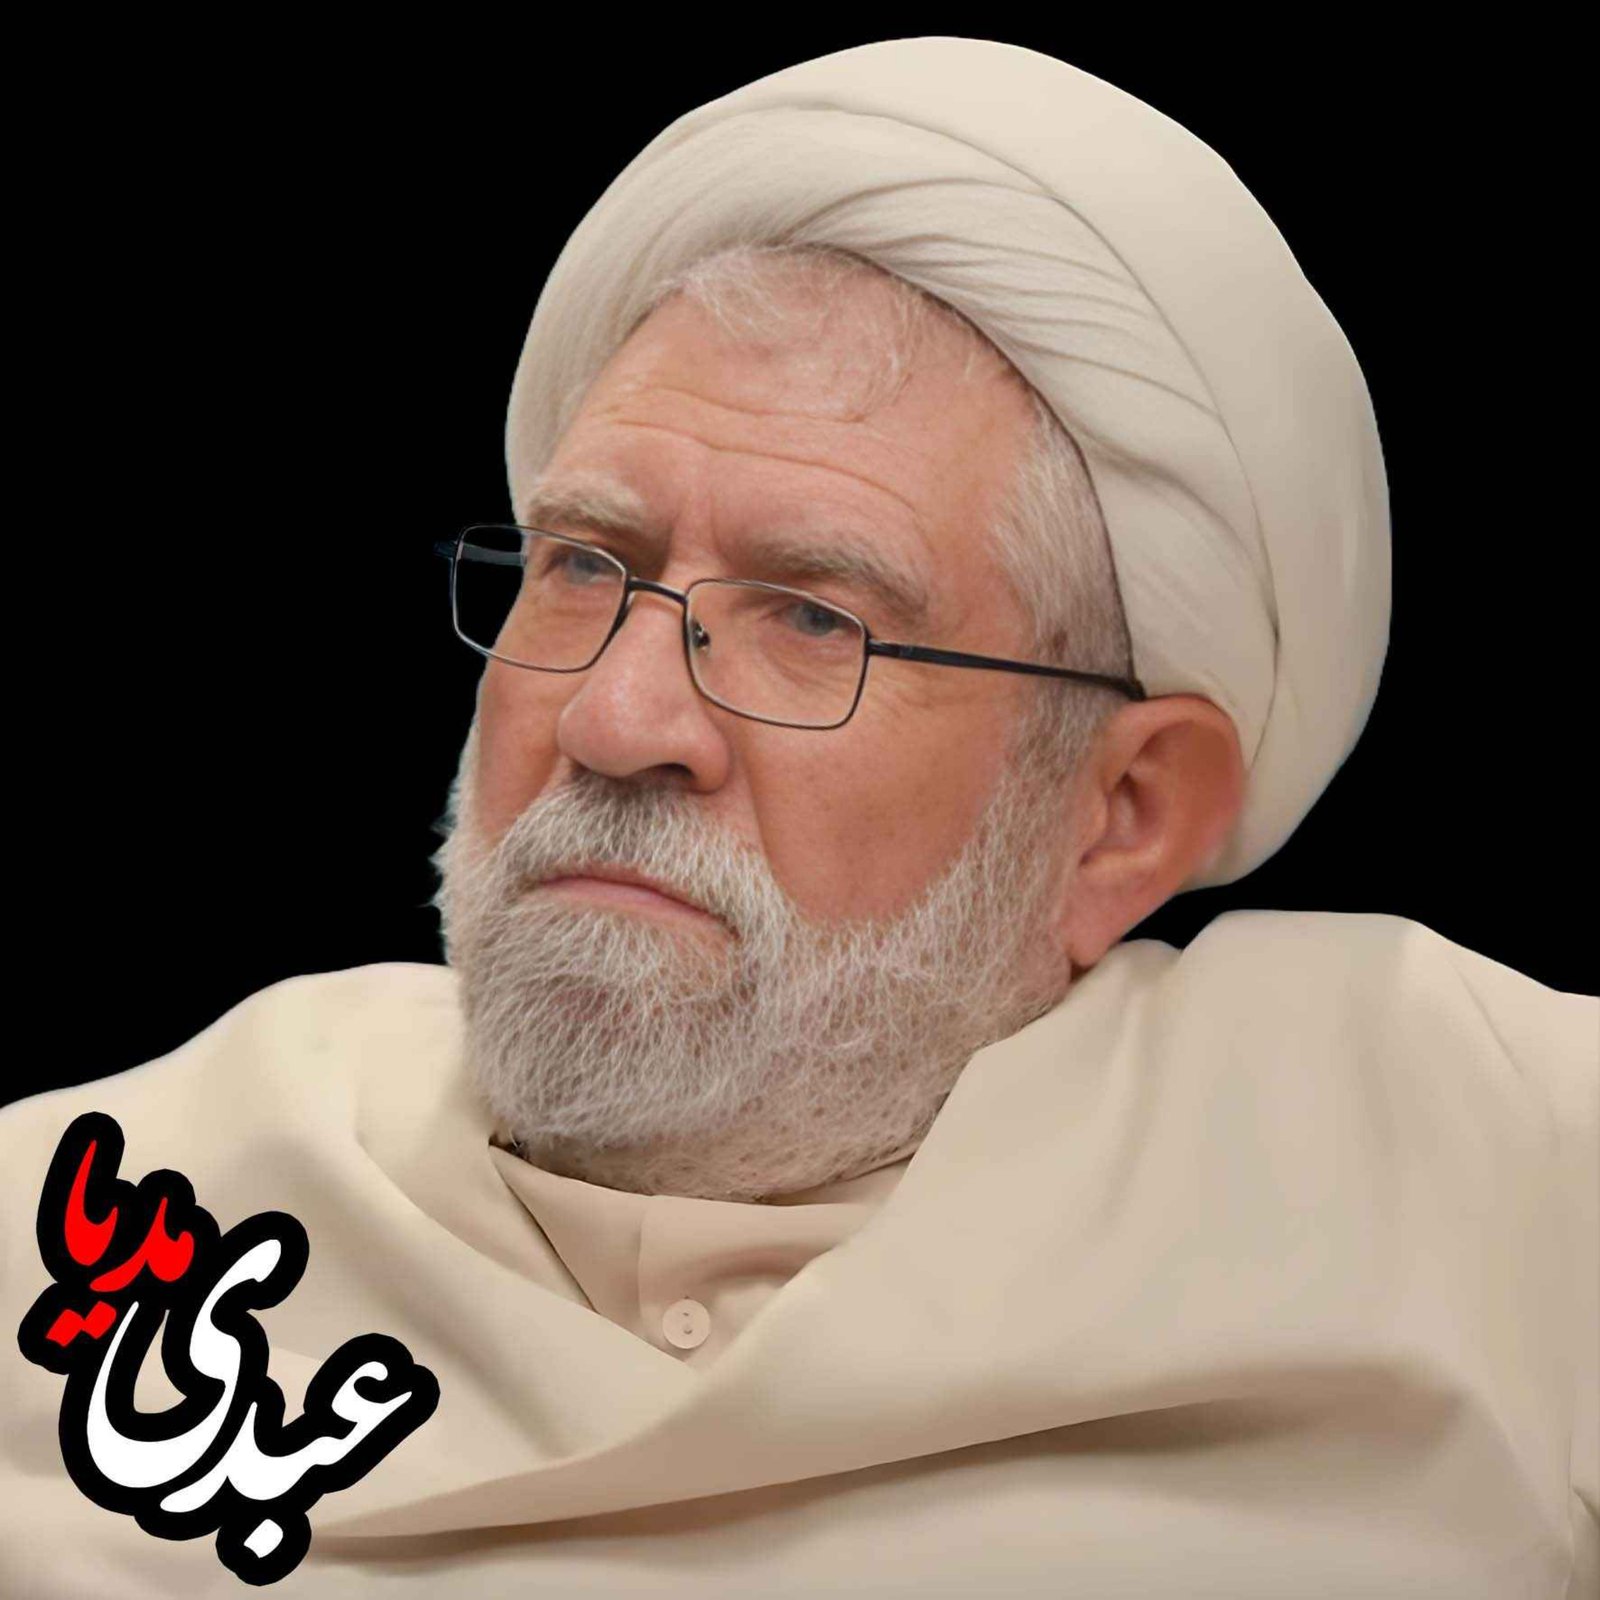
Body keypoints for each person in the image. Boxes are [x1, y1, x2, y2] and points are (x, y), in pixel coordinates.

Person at [2, 35, 1594, 1599]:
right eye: (584, 567)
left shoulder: (1487, 1159)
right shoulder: (90, 1208)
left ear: (1119, 814)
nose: (617, 719)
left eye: (816, 620)